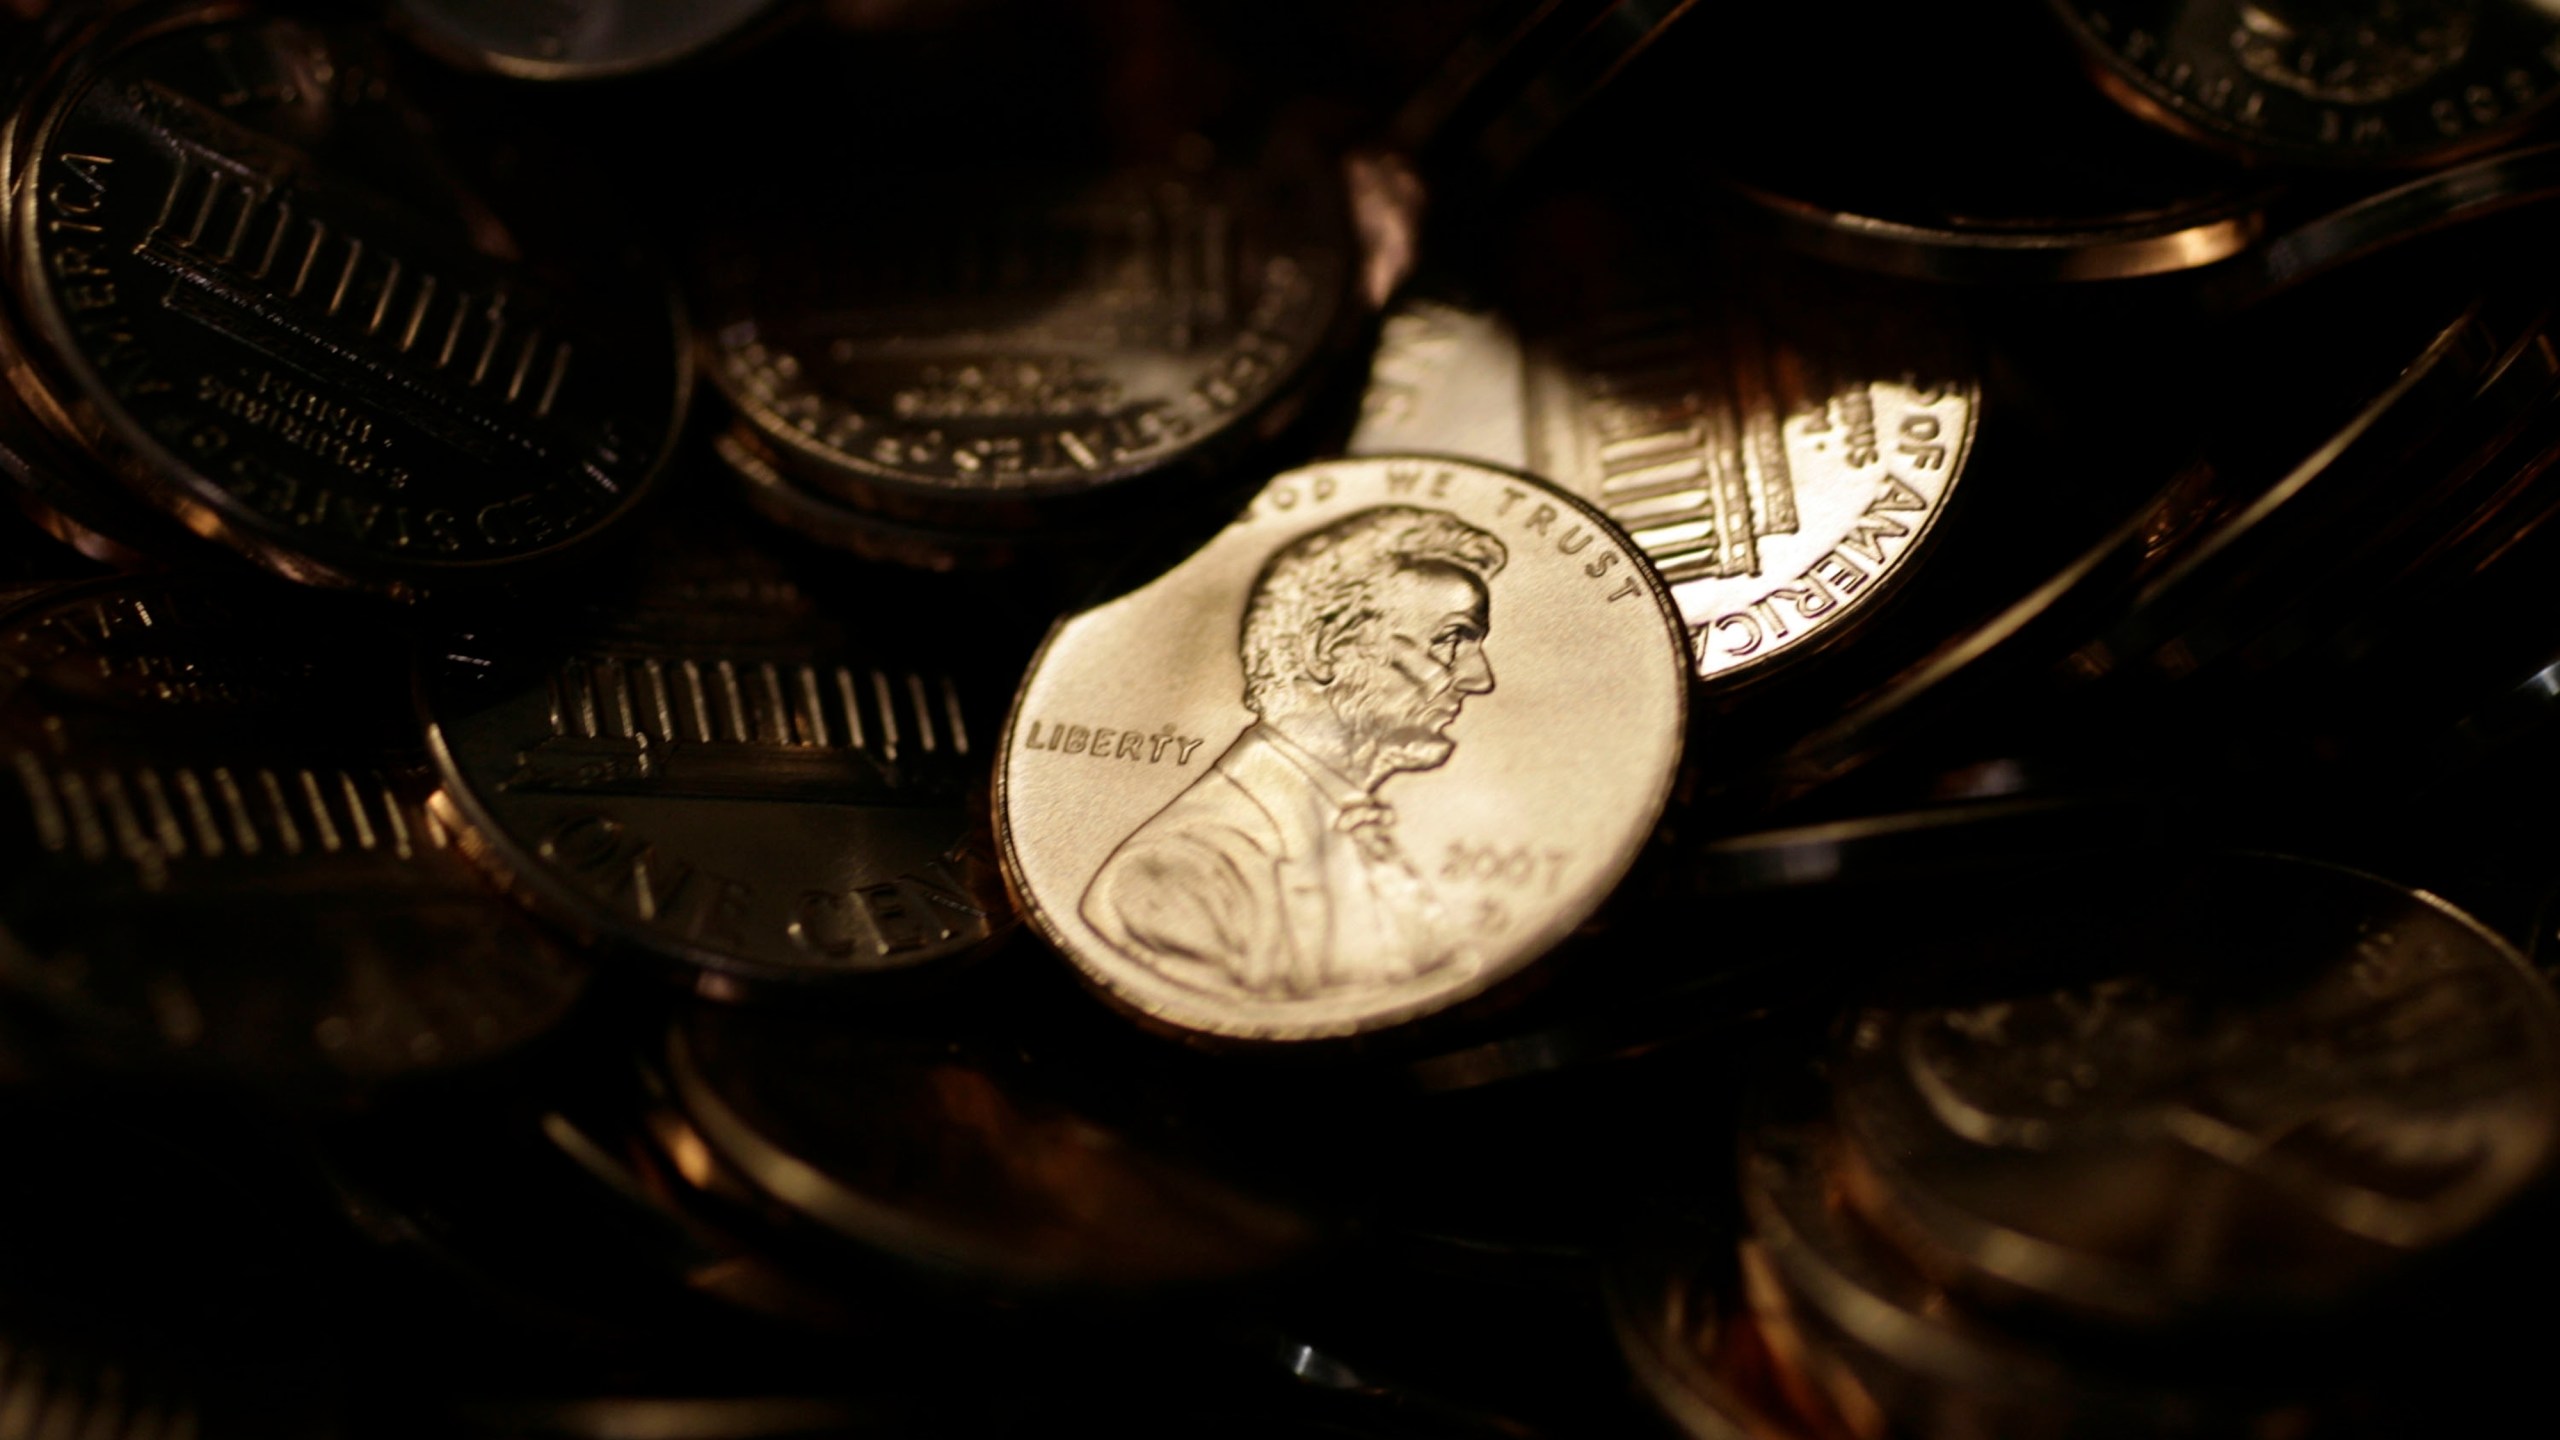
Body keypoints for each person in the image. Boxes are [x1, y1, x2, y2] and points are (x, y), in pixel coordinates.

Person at [1082, 505, 1506, 1001]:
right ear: (1325, 648)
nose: (1480, 679)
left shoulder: (1359, 833)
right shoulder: (1178, 871)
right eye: (1452, 640)